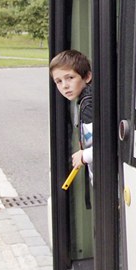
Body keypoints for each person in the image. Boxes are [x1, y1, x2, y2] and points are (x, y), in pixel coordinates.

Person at [50, 50, 94, 183]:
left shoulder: (89, 106)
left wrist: (84, 155)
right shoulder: (84, 100)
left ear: (87, 77)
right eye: (58, 81)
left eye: (70, 78)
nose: (65, 86)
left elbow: (108, 143)